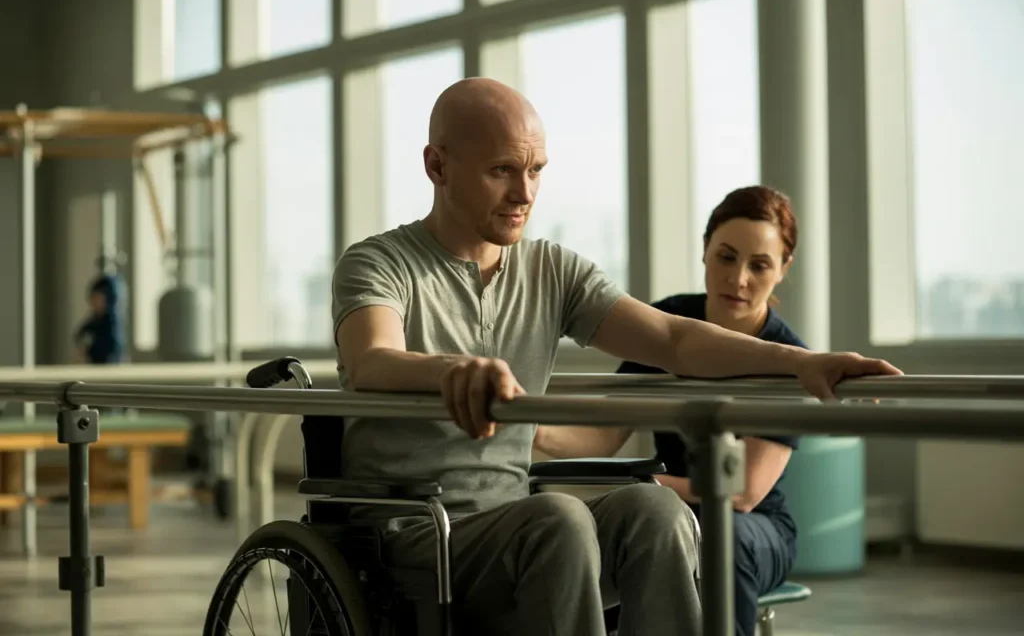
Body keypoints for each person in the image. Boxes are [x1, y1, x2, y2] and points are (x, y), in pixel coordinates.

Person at [331, 77, 901, 636]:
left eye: (535, 171)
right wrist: (450, 369)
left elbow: (674, 340)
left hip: (512, 521)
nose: (524, 194)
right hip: (412, 532)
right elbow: (372, 360)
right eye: (501, 170)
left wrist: (801, 363)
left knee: (656, 513)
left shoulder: (552, 270)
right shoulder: (378, 263)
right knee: (558, 517)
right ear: (437, 166)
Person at [615, 185, 808, 636]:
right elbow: (600, 434)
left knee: (725, 534)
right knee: (618, 532)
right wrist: (522, 425)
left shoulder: (788, 355)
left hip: (756, 529)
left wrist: (645, 485)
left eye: (759, 265)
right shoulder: (666, 325)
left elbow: (743, 493)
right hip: (671, 513)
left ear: (783, 269)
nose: (738, 279)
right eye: (726, 257)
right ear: (705, 250)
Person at [74, 273, 125, 365]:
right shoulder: (94, 321)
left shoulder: (112, 325)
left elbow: (111, 351)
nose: (93, 301)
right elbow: (80, 335)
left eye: (98, 298)